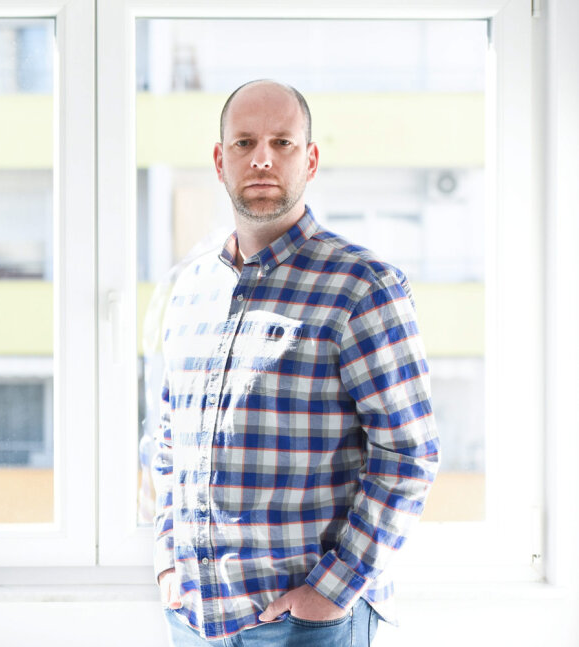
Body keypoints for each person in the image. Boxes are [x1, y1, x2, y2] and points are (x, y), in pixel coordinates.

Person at [152, 79, 440, 646]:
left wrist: (331, 591)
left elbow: (409, 454)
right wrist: (168, 561)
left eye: (282, 142)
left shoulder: (363, 286)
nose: (261, 158)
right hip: (194, 621)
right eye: (244, 143)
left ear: (309, 160)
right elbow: (168, 439)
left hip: (305, 626)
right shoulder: (190, 290)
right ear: (220, 161)